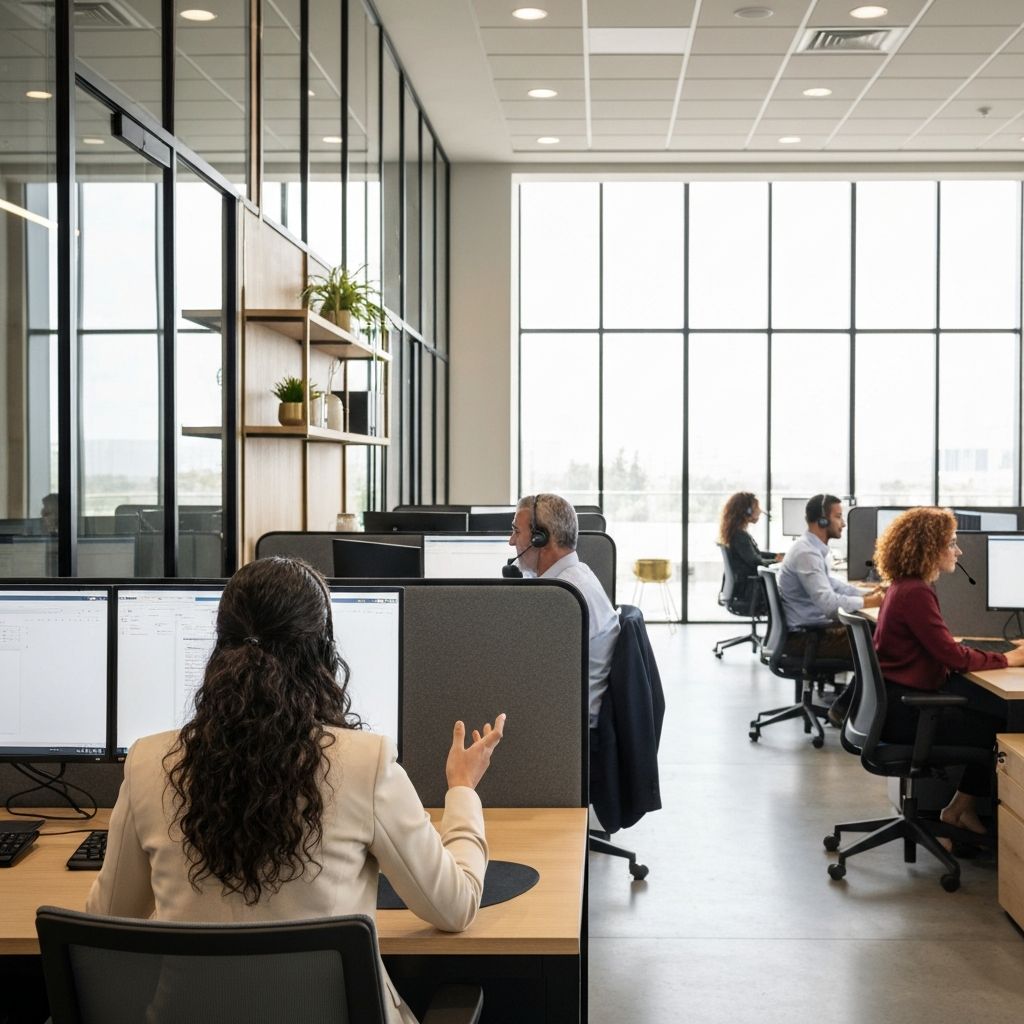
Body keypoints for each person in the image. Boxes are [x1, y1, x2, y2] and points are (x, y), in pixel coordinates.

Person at [86, 556, 505, 1024]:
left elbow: (105, 921)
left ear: (220, 647)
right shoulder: (365, 763)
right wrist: (463, 790)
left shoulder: (149, 762)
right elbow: (456, 905)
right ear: (322, 653)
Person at [872, 506, 1024, 837]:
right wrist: (1010, 659)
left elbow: (945, 652)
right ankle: (962, 810)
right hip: (909, 715)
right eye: (951, 543)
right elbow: (953, 656)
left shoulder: (904, 586)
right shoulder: (915, 592)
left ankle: (958, 809)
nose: (959, 550)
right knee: (1006, 725)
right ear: (930, 547)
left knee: (996, 712)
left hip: (898, 706)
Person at [508, 493, 620, 727]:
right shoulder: (577, 575)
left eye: (517, 531)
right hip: (568, 717)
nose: (511, 541)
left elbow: (529, 678)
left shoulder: (564, 599)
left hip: (568, 731)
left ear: (540, 538)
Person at [777, 493, 884, 723]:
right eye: (838, 517)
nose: (843, 523)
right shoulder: (806, 553)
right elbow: (828, 605)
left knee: (877, 635)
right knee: (881, 644)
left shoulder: (812, 549)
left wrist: (869, 595)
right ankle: (847, 708)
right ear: (822, 521)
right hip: (805, 638)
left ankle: (849, 708)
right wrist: (869, 603)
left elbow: (833, 585)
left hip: (809, 631)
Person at [717, 491, 782, 614]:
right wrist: (778, 561)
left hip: (744, 590)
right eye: (757, 507)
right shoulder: (739, 536)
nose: (760, 511)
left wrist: (775, 556)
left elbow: (754, 553)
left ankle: (775, 631)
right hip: (750, 594)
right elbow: (756, 562)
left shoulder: (737, 533)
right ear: (747, 511)